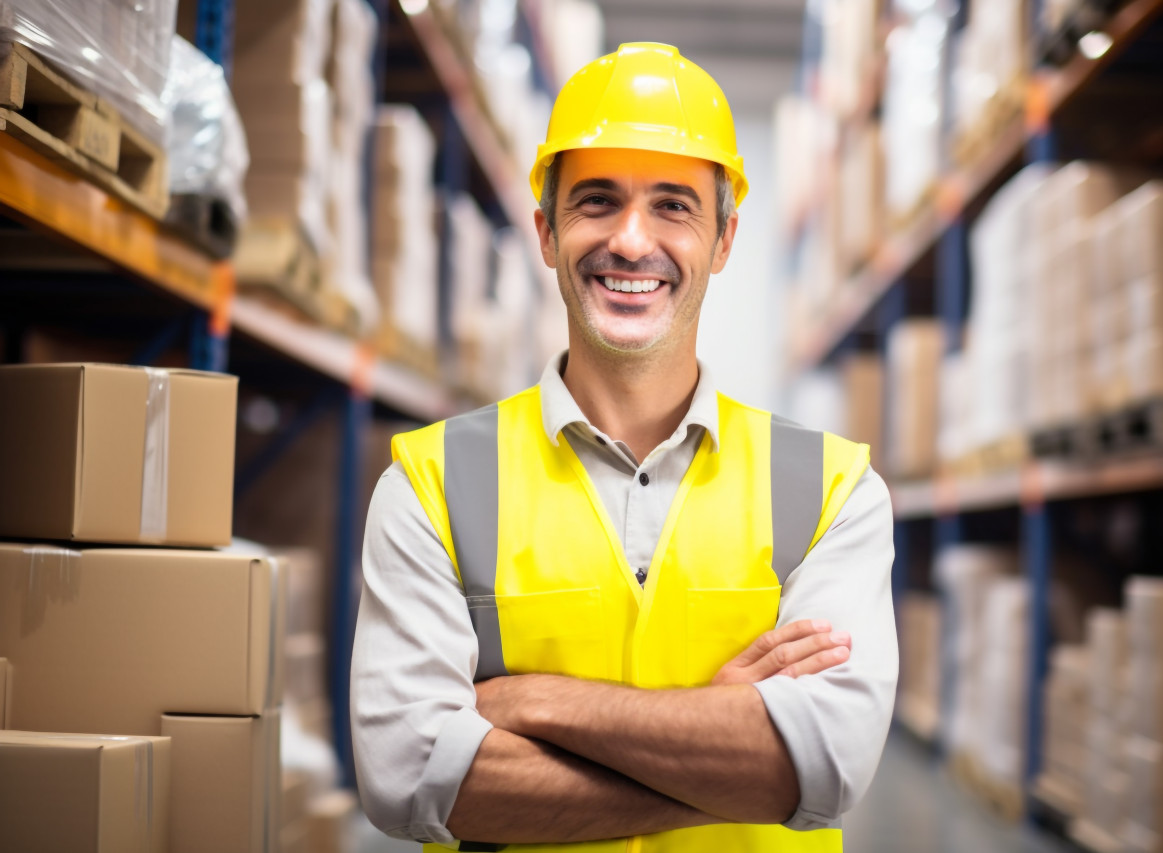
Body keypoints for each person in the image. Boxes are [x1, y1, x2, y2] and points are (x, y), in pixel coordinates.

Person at [351, 42, 897, 853]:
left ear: (722, 240)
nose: (632, 241)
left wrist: (534, 702)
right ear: (545, 231)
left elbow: (829, 763)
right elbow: (407, 775)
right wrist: (727, 758)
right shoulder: (431, 485)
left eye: (674, 205)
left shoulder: (832, 490)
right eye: (597, 201)